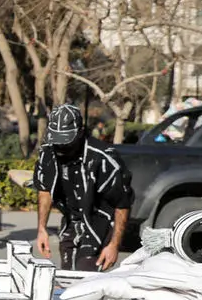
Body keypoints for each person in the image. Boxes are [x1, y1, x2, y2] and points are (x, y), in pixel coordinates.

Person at [34, 103, 135, 271]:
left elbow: (122, 204)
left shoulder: (102, 158)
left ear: (80, 133)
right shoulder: (48, 153)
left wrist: (114, 245)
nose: (60, 147)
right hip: (72, 220)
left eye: (66, 142)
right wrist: (42, 229)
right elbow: (45, 190)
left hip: (101, 221)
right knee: (66, 275)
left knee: (84, 275)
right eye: (57, 141)